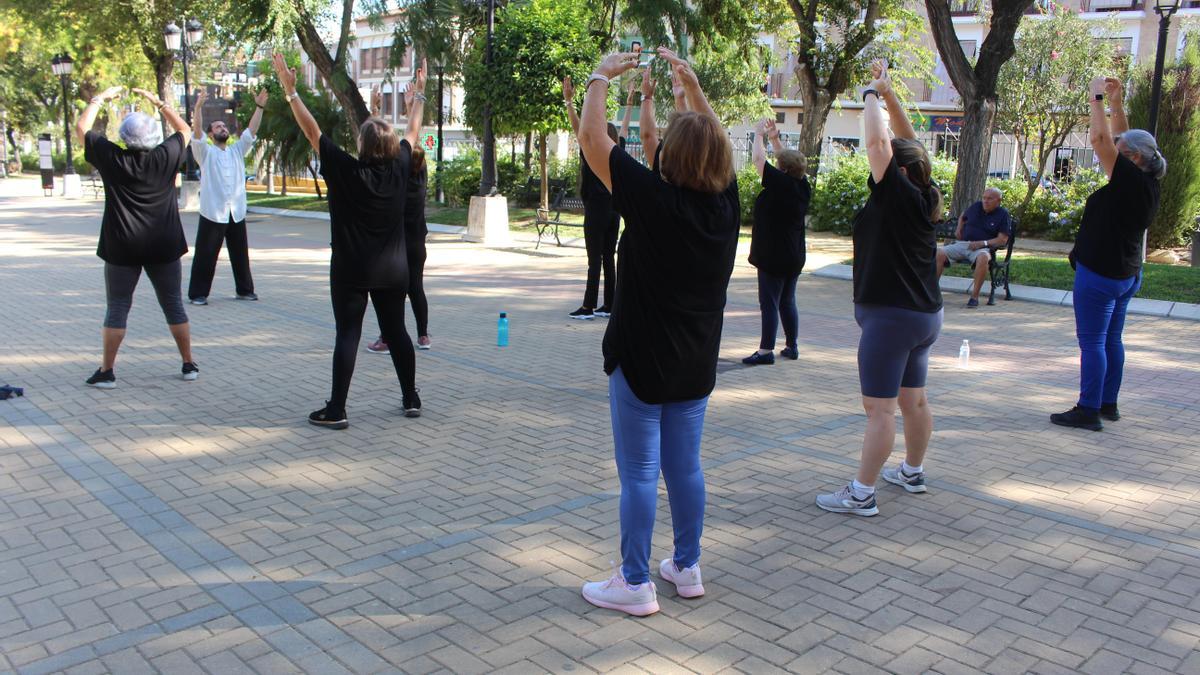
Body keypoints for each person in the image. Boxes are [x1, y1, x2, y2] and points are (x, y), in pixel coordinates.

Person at [577, 48, 740, 616]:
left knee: (641, 474)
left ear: (669, 153)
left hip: (642, 362)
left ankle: (635, 581)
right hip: (696, 365)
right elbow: (712, 142)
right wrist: (694, 92)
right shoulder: (726, 209)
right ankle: (687, 566)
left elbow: (594, 140)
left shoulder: (651, 200)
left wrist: (600, 74)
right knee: (685, 467)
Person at [270, 53, 426, 429]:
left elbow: (312, 132)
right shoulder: (401, 168)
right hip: (393, 269)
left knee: (348, 333)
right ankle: (410, 397)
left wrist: (291, 93)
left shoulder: (345, 170)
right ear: (389, 150)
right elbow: (412, 133)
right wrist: (417, 97)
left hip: (351, 269)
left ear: (361, 145)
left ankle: (337, 408)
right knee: (398, 331)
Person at [816, 60, 943, 517]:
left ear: (898, 170)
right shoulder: (925, 194)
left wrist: (870, 94)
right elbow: (910, 148)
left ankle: (861, 493)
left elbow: (878, 142)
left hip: (892, 318)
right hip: (924, 316)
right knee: (914, 400)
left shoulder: (897, 194)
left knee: (880, 409)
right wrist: (890, 96)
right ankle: (911, 471)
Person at [1051, 76, 1164, 432]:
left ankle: (1088, 409)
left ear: (1131, 158)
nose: (1112, 148)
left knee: (1094, 343)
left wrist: (1095, 96)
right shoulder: (1146, 178)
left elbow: (1101, 139)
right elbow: (1123, 139)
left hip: (1101, 274)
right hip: (1126, 273)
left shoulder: (1128, 178)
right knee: (1111, 340)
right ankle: (1107, 403)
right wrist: (1117, 102)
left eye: (1121, 148)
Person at [76, 86, 199, 389]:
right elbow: (185, 129)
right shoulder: (165, 156)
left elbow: (82, 128)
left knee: (117, 306)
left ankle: (107, 371)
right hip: (163, 243)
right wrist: (159, 103)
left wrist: (99, 99)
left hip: (122, 244)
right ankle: (188, 363)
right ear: (153, 137)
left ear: (125, 137)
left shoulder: (112, 158)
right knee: (173, 305)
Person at [187, 88, 268, 305]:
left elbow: (252, 130)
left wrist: (259, 106)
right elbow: (196, 132)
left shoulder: (236, 151)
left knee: (240, 254)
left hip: (236, 212)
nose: (222, 127)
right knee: (206, 255)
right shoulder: (205, 153)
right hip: (213, 212)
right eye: (217, 126)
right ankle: (198, 294)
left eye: (224, 125)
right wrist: (197, 108)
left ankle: (244, 290)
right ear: (211, 134)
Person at [366, 88, 432, 354]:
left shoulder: (397, 176)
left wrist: (375, 110)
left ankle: (386, 336)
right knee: (416, 287)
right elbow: (412, 136)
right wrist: (411, 107)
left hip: (396, 243)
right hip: (417, 240)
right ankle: (423, 336)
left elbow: (383, 141)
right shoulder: (420, 174)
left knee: (391, 292)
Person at [562, 77, 634, 320]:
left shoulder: (593, 152)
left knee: (594, 259)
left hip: (595, 210)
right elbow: (623, 130)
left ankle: (588, 306)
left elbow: (579, 130)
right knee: (607, 259)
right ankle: (610, 304)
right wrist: (631, 103)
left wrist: (569, 102)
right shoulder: (617, 152)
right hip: (614, 212)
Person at [742, 117, 811, 365]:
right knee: (787, 300)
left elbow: (759, 161)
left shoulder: (780, 184)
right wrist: (774, 139)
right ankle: (792, 345)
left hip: (774, 254)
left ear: (782, 170)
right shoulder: (802, 185)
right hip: (793, 255)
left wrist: (759, 135)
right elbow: (791, 162)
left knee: (769, 302)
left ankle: (765, 351)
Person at [936, 187, 1011, 308]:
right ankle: (933, 293)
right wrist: (959, 228)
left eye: (990, 199)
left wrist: (983, 243)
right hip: (963, 244)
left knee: (983, 258)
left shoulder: (1003, 215)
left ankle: (974, 297)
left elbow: (1002, 239)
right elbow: (963, 216)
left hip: (982, 248)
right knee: (939, 252)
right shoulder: (976, 206)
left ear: (998, 201)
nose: (985, 201)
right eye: (984, 198)